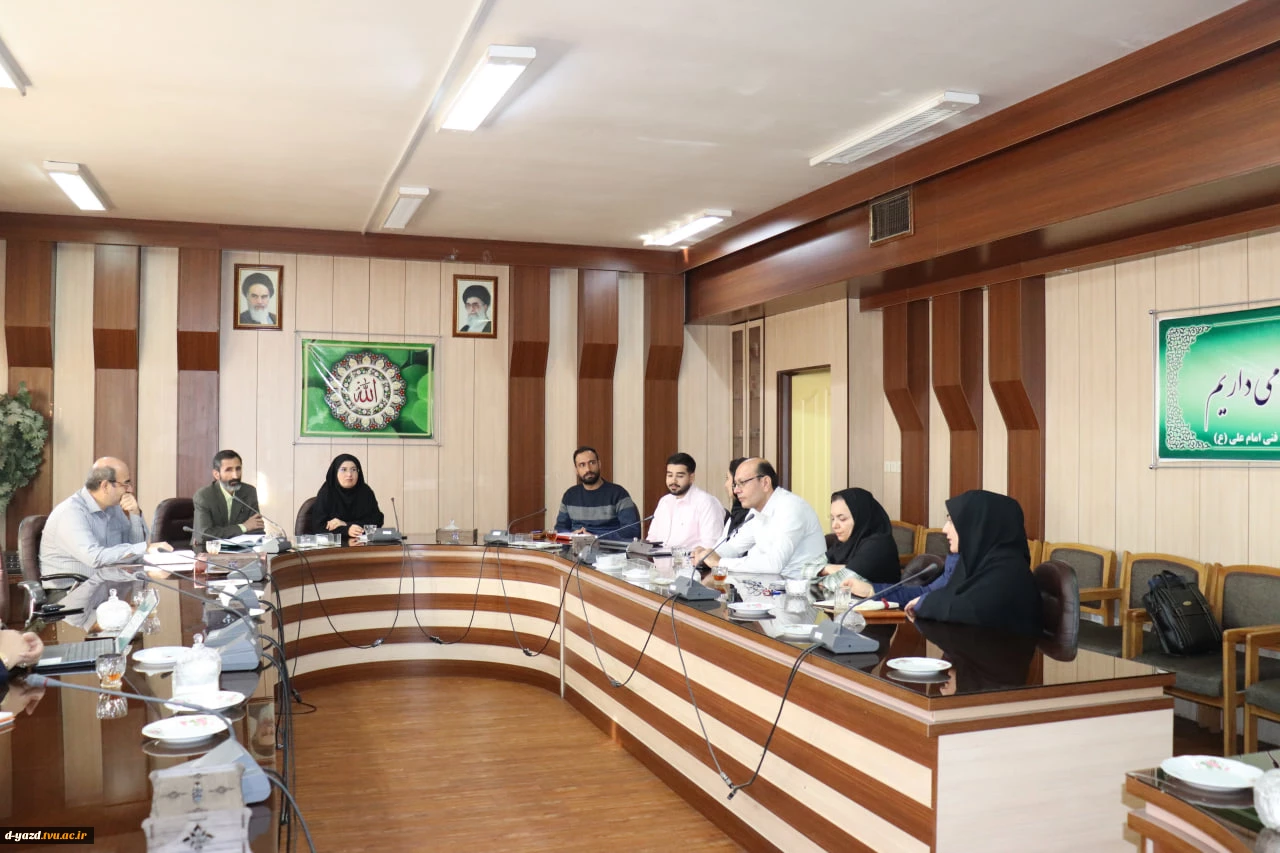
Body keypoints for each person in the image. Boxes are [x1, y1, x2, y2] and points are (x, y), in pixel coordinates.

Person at [841, 489, 1042, 636]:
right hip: (968, 656)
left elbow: (973, 609)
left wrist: (926, 604)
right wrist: (873, 590)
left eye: (952, 522)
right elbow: (926, 593)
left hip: (1000, 671)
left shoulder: (1009, 570)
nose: (945, 529)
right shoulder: (967, 561)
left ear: (977, 526)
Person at [41, 458, 173, 630]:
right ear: (105, 486)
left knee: (143, 619)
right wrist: (145, 548)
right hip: (71, 597)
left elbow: (133, 550)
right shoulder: (71, 513)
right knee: (133, 626)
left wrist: (134, 514)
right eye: (125, 483)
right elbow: (95, 558)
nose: (130, 489)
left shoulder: (113, 508)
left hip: (104, 585)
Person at [690, 458, 826, 578]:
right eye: (735, 484)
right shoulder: (756, 512)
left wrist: (720, 563)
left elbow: (774, 564)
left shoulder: (791, 508)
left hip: (801, 590)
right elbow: (734, 547)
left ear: (765, 483)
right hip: (772, 587)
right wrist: (707, 556)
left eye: (742, 483)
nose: (736, 490)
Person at [815, 488, 900, 592]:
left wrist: (821, 572)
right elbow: (805, 569)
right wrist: (828, 568)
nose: (834, 526)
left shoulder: (878, 544)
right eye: (833, 518)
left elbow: (838, 584)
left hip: (879, 602)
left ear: (861, 517)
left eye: (842, 519)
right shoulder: (845, 543)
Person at [554, 446, 640, 541]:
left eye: (592, 463)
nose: (588, 469)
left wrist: (595, 537)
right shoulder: (570, 495)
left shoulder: (619, 494)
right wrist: (571, 535)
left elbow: (631, 531)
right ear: (576, 470)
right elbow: (559, 529)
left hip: (607, 548)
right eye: (582, 465)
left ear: (599, 464)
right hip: (576, 547)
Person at [646, 453, 725, 550]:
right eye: (670, 475)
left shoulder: (706, 503)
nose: (673, 481)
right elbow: (652, 538)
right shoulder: (664, 501)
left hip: (689, 559)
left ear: (691, 478)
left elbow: (711, 545)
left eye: (679, 476)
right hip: (660, 558)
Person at [192, 450, 265, 544]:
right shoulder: (204, 496)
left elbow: (256, 529)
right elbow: (205, 534)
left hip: (242, 548)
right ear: (216, 474)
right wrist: (244, 527)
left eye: (238, 469)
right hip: (209, 549)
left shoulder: (249, 492)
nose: (235, 475)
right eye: (229, 470)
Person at [311, 454, 384, 538]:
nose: (349, 474)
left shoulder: (365, 491)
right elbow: (318, 527)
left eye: (353, 469)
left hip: (362, 543)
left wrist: (345, 524)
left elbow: (377, 521)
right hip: (335, 545)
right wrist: (346, 530)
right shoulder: (326, 492)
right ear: (335, 472)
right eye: (343, 469)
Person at [722, 457, 752, 540]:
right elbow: (723, 542)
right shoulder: (736, 511)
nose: (725, 485)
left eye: (727, 478)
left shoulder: (753, 514)